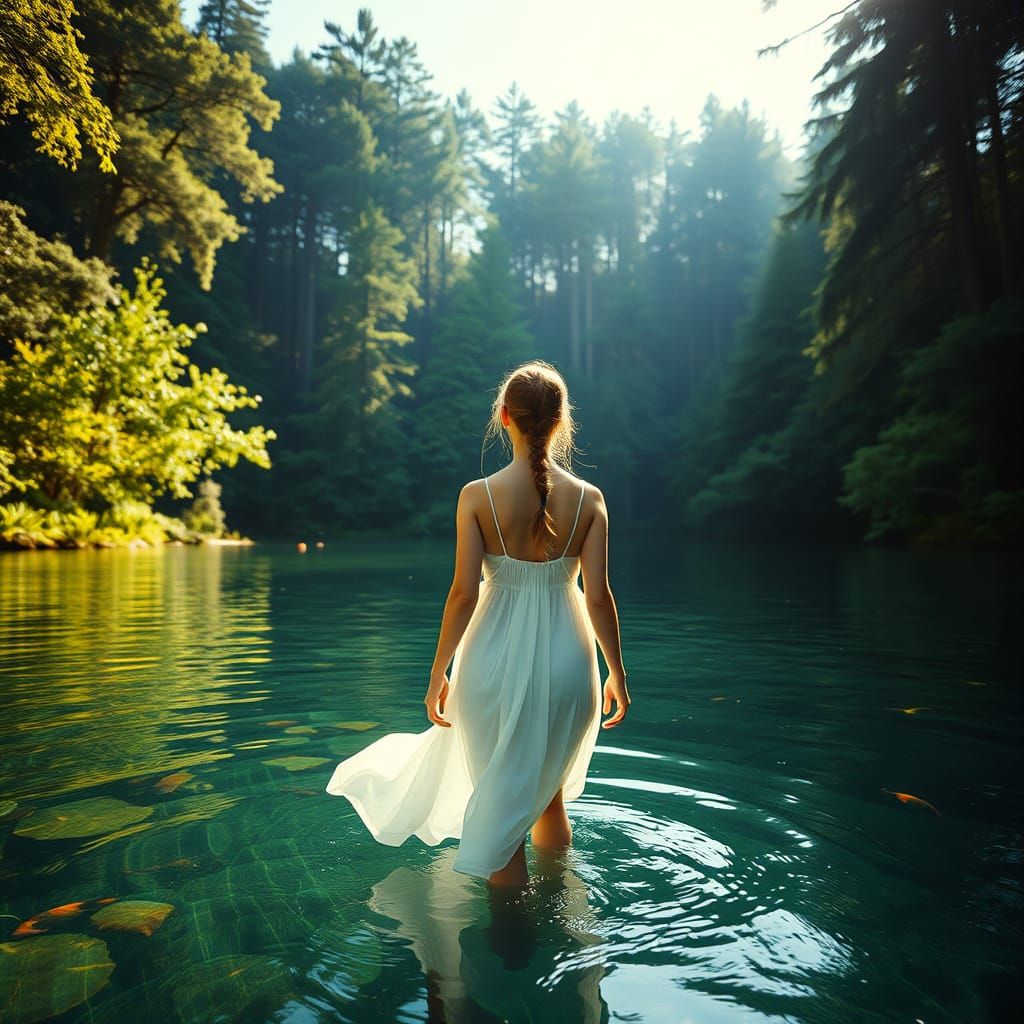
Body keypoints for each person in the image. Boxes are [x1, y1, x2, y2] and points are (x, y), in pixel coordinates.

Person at [325, 359, 630, 888]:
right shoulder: (591, 500)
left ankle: (508, 948)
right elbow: (598, 596)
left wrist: (438, 673)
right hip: (570, 663)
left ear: (505, 417)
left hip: (492, 661)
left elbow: (464, 595)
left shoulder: (477, 496)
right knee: (547, 795)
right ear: (560, 422)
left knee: (498, 801)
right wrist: (617, 675)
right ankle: (559, 917)